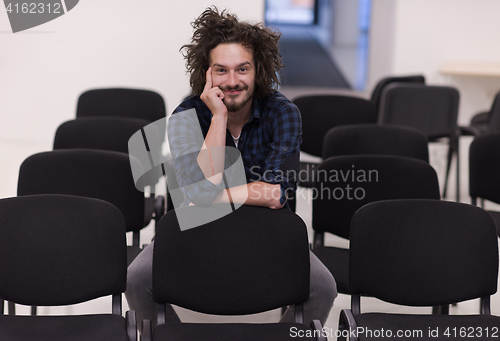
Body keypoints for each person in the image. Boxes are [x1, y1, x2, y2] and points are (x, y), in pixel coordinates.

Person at [126, 6, 337, 327]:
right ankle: (169, 334)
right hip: (194, 230)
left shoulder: (283, 112)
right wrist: (219, 118)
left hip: (267, 231)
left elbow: (274, 194)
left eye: (243, 69)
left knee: (323, 287)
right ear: (206, 73)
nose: (233, 80)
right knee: (137, 278)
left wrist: (209, 195)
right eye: (221, 70)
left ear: (258, 70)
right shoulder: (187, 114)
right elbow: (190, 194)